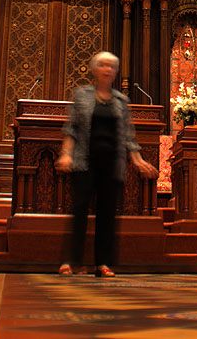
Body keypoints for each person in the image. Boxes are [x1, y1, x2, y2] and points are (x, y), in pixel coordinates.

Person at [55, 52, 158, 277]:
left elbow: (128, 137)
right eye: (102, 65)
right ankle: (71, 261)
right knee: (80, 211)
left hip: (111, 165)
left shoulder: (122, 102)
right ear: (94, 69)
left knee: (107, 215)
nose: (107, 69)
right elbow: (71, 129)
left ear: (115, 71)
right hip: (85, 162)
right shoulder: (81, 96)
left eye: (111, 66)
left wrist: (139, 161)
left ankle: (102, 263)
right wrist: (66, 154)